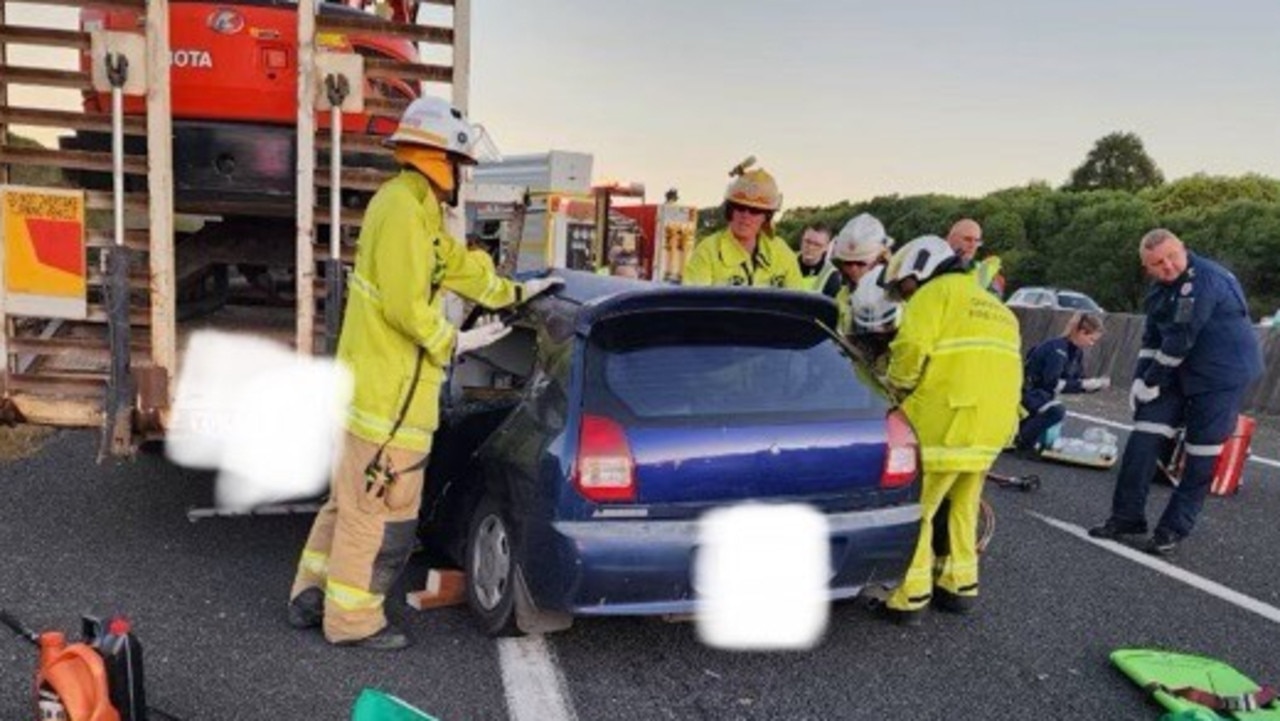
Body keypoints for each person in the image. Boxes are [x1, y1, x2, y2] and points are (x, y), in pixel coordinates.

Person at [287, 95, 560, 650]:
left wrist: (514, 291)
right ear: (441, 161)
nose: (462, 176)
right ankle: (352, 621)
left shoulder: (414, 207)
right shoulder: (405, 210)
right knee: (381, 512)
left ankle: (310, 595)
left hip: (374, 391)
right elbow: (406, 307)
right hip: (389, 398)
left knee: (348, 501)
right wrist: (452, 341)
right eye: (460, 166)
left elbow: (456, 268)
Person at [1088, 229, 1262, 555]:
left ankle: (1172, 529)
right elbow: (1153, 339)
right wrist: (1140, 381)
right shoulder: (1158, 291)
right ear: (1147, 268)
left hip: (1219, 374)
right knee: (1143, 437)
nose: (1167, 266)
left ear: (1183, 249)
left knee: (1200, 454)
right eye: (1157, 263)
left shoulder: (1202, 281)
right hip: (1179, 368)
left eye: (1172, 257)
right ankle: (1126, 518)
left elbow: (1182, 337)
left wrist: (1152, 380)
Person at [879, 235, 1022, 625]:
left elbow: (909, 350)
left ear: (922, 271)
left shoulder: (934, 295)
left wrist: (892, 387)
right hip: (991, 428)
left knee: (917, 511)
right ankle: (959, 586)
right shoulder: (996, 307)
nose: (906, 295)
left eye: (905, 286)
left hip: (947, 423)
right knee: (962, 507)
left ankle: (910, 595)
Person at [681, 158, 804, 289]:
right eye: (739, 207)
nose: (745, 215)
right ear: (730, 211)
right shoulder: (708, 252)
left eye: (755, 210)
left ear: (766, 217)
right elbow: (693, 305)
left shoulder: (781, 252)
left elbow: (799, 304)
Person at [1013, 313, 1111, 454]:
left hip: (1042, 395)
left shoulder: (1076, 352)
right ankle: (1023, 441)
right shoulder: (1056, 349)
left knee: (1053, 408)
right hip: (1028, 392)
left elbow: (1076, 380)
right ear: (1082, 332)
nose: (1092, 344)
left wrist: (1096, 385)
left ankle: (1026, 432)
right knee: (1056, 410)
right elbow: (1051, 383)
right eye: (1091, 339)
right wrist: (1083, 385)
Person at [829, 213, 893, 337]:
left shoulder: (891, 298)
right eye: (847, 263)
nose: (853, 269)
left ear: (880, 259)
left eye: (860, 263)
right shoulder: (843, 294)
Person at [946, 218, 1004, 297]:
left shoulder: (986, 273)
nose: (972, 245)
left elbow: (992, 305)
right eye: (967, 239)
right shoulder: (931, 265)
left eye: (977, 241)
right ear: (950, 239)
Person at [796, 223, 841, 297]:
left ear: (826, 247)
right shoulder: (786, 261)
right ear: (801, 240)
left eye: (817, 245)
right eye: (807, 241)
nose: (810, 247)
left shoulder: (831, 275)